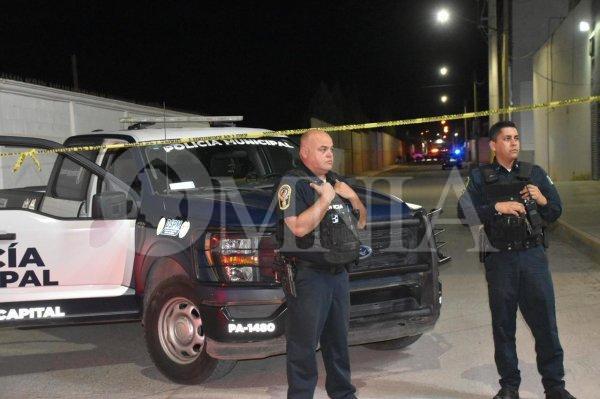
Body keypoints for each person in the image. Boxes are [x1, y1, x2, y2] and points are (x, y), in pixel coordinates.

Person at [460, 121, 575, 399]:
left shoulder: (534, 173)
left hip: (533, 257)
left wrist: (542, 199)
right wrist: (496, 207)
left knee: (545, 323)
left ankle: (555, 386)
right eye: (508, 138)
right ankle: (509, 386)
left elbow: (556, 210)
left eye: (516, 138)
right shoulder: (480, 176)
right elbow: (464, 212)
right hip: (500, 261)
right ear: (494, 145)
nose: (514, 143)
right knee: (503, 324)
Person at [276, 128, 366, 399]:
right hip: (309, 276)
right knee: (303, 346)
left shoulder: (336, 180)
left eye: (330, 149)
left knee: (337, 342)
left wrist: (351, 197)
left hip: (338, 274)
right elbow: (299, 228)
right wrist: (326, 199)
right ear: (304, 153)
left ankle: (343, 394)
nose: (330, 154)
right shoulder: (292, 183)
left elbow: (361, 222)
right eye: (322, 149)